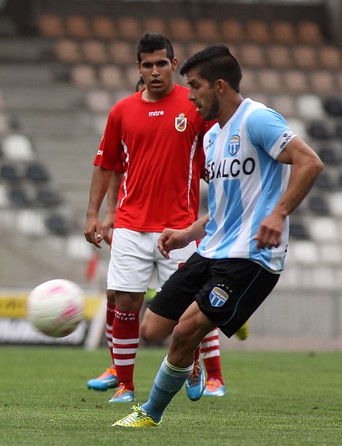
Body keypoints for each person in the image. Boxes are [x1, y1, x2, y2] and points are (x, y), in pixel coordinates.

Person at [112, 44, 323, 428]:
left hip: (252, 256)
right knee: (153, 329)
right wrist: (185, 233)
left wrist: (279, 214)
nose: (189, 95)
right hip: (211, 249)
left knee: (185, 331)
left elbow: (310, 161)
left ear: (220, 86)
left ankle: (149, 413)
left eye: (195, 86)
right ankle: (226, 313)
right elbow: (226, 207)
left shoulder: (258, 119)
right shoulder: (212, 139)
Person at [84, 31, 225, 403]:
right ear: (138, 68)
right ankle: (126, 386)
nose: (155, 71)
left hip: (179, 228)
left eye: (162, 63)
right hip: (131, 225)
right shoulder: (122, 111)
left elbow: (213, 159)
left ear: (174, 65)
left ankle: (197, 364)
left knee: (183, 309)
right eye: (148, 65)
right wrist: (94, 216)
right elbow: (106, 165)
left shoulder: (193, 106)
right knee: (126, 302)